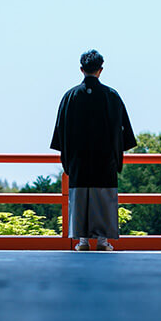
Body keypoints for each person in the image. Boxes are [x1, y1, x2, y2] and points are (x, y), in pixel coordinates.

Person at [51, 50, 137, 251]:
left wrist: (68, 156)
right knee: (104, 196)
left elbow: (60, 130)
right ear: (101, 70)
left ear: (82, 69)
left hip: (79, 159)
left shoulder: (70, 96)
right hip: (105, 158)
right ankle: (102, 241)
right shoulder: (111, 96)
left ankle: (82, 241)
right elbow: (123, 129)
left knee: (79, 197)